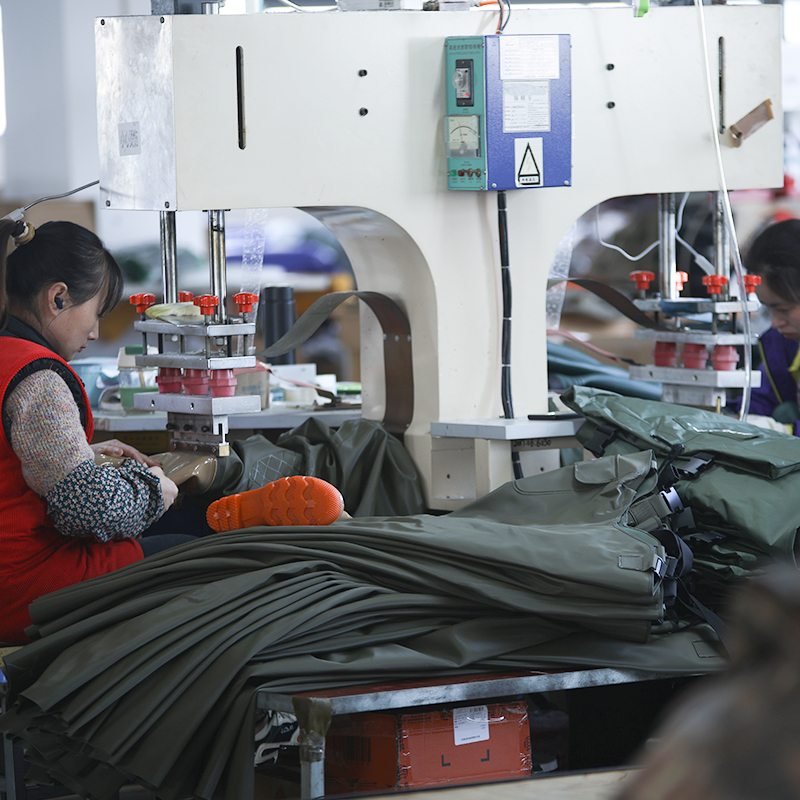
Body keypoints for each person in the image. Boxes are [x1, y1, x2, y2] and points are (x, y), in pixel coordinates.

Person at [0, 218, 345, 644]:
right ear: (58, 297)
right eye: (96, 313)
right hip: (25, 588)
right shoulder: (39, 379)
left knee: (186, 526)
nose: (94, 331)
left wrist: (82, 453)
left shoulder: (6, 358)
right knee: (206, 549)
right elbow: (87, 512)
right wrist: (154, 489)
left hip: (12, 571)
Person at [741, 218, 800, 435]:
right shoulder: (785, 346)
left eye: (783, 309)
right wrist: (732, 417)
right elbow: (762, 397)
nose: (775, 323)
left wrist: (783, 431)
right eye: (767, 309)